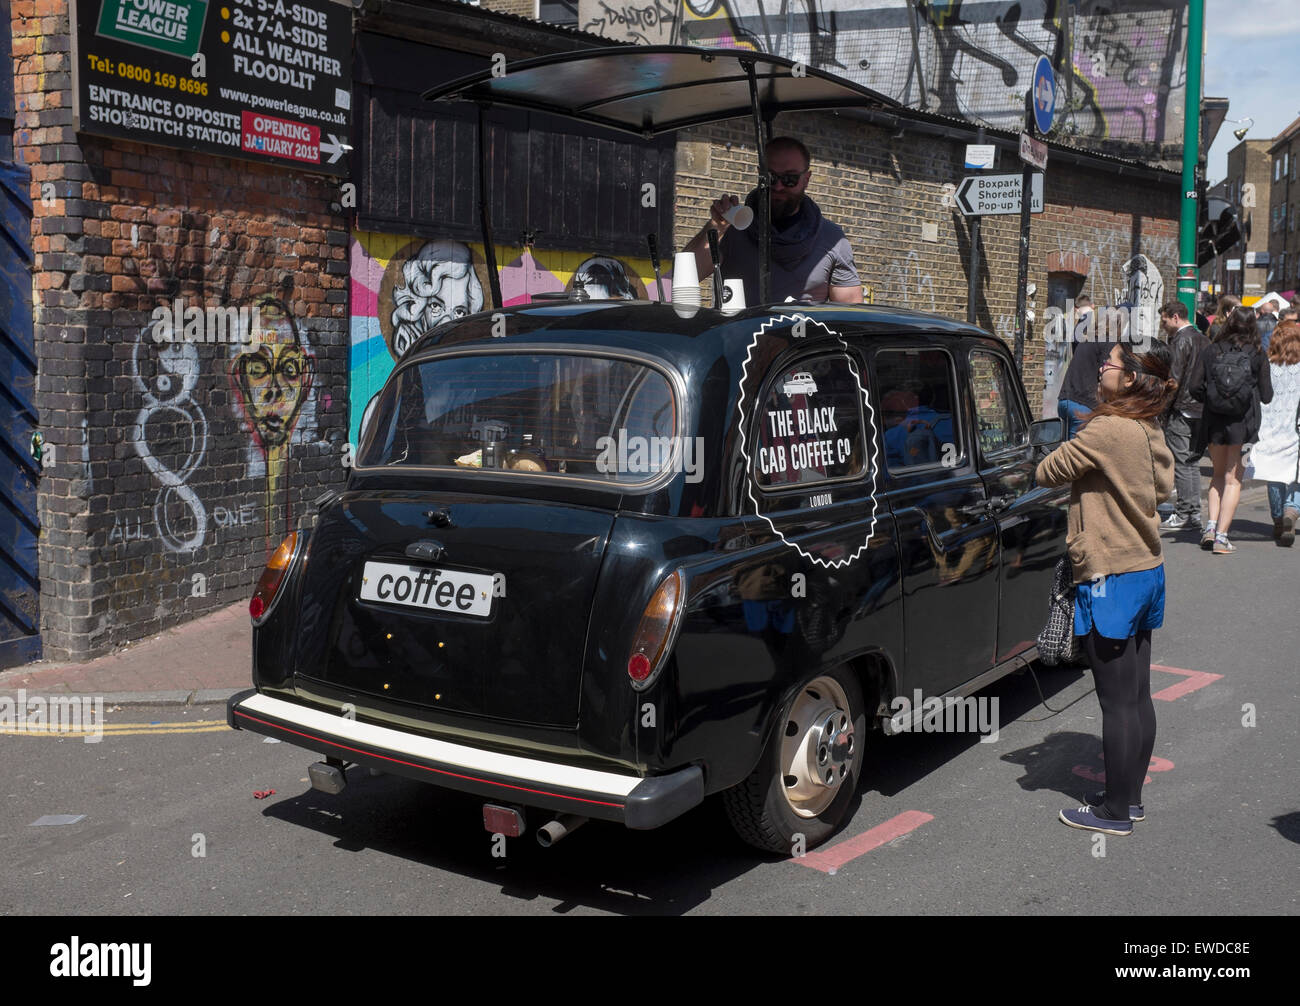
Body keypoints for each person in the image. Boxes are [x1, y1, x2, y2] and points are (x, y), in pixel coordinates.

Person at [1036, 339, 1176, 836]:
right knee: (1138, 695)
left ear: (1132, 377)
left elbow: (1048, 471)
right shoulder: (1148, 426)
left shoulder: (1107, 429)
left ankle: (1114, 815)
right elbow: (1164, 489)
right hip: (1147, 570)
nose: (1100, 369)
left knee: (1115, 703)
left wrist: (1085, 449)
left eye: (1109, 363)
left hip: (1110, 575)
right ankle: (1128, 799)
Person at [685, 136, 862, 306]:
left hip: (802, 335)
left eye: (790, 179)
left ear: (806, 179)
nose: (778, 187)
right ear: (759, 174)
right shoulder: (732, 227)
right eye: (770, 177)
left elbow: (850, 314)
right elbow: (685, 277)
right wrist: (716, 227)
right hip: (737, 335)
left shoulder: (832, 239)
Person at [1191, 306, 1274, 554]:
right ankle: (1222, 537)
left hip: (1214, 423)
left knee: (1217, 475)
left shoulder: (1211, 350)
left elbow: (1195, 387)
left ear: (1228, 323)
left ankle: (1210, 527)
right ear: (1253, 327)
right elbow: (1267, 395)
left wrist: (1215, 399)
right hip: (1245, 426)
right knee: (1234, 479)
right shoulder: (1258, 354)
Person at [1245, 321, 1300, 545]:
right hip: (1295, 428)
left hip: (1268, 429)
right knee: (1296, 476)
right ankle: (1291, 510)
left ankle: (1278, 518)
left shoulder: (1266, 364)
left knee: (1274, 475)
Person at [1158, 301, 1210, 532]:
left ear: (1176, 317)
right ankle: (1194, 514)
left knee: (1181, 463)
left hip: (1182, 408)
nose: (1163, 325)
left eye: (1165, 320)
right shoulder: (1204, 339)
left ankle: (1183, 514)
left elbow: (1174, 379)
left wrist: (1163, 409)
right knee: (1192, 462)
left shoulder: (1181, 340)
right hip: (1201, 409)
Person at [1055, 295, 1106, 439]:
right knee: (1075, 453)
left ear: (1076, 309)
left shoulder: (1078, 328)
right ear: (1093, 306)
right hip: (1083, 400)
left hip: (1066, 396)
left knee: (1066, 448)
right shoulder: (1097, 329)